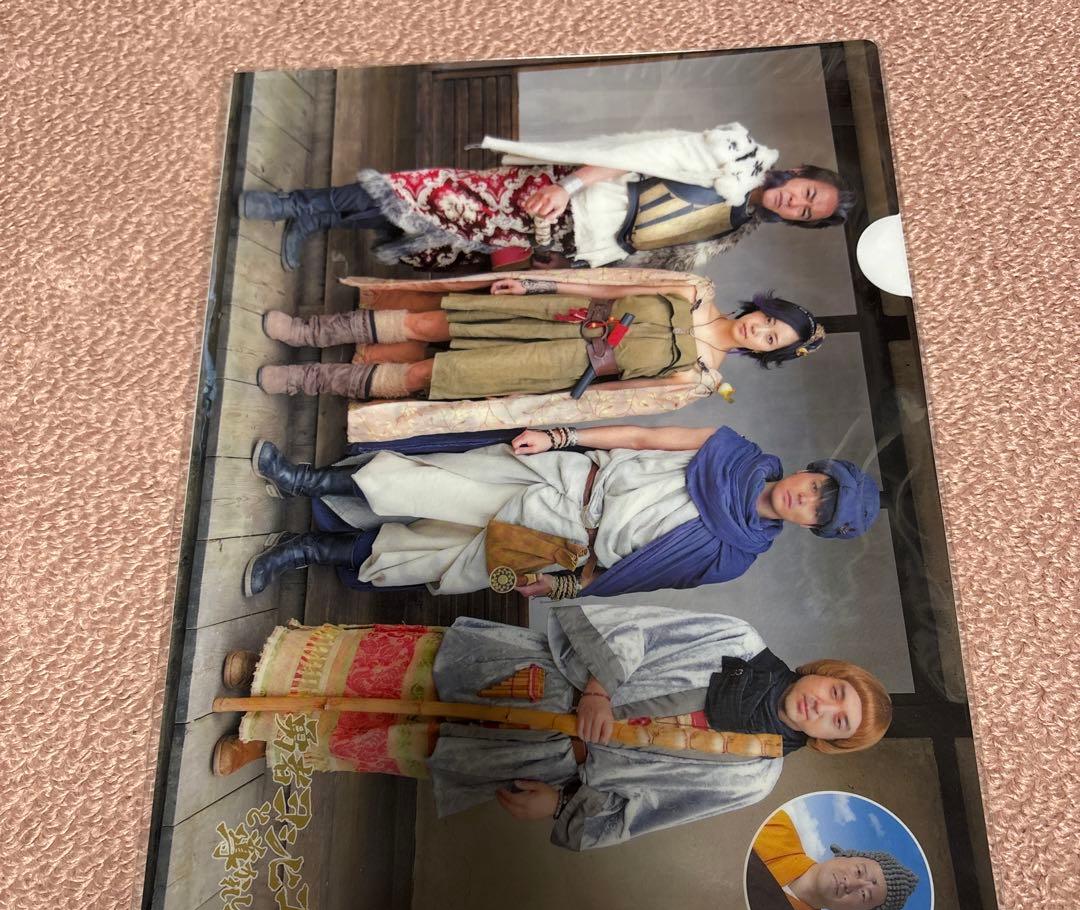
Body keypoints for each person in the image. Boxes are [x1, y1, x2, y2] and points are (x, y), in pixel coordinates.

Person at [212, 603, 892, 851]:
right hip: (550, 678)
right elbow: (639, 629)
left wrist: (560, 804)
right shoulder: (739, 639)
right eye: (837, 692)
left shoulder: (754, 774)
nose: (824, 707)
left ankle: (265, 740)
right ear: (826, 672)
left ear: (830, 741)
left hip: (550, 753)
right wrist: (600, 687)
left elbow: (647, 809)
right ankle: (273, 673)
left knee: (402, 744)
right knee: (402, 669)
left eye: (839, 722)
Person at [241, 422, 881, 601]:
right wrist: (560, 436)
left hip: (563, 548)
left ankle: (300, 553)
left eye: (818, 513)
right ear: (812, 470)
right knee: (424, 482)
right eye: (817, 487)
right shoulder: (731, 448)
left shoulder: (734, 557)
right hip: (568, 478)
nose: (807, 499)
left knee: (428, 561)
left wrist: (557, 587)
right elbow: (642, 437)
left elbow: (634, 579)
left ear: (810, 529)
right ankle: (301, 481)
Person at [238, 122, 855, 272]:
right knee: (433, 195)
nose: (796, 204)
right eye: (806, 193)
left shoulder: (735, 224)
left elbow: (648, 243)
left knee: (437, 227)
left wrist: (576, 260)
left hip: (568, 235)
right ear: (799, 172)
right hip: (562, 196)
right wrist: (567, 185)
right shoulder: (732, 154)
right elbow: (640, 152)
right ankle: (297, 205)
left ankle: (316, 221)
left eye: (806, 213)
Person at [255, 274, 824, 405]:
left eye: (770, 340)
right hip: (559, 312)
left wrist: (542, 404)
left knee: (433, 374)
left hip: (561, 365)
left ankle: (310, 379)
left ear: (765, 353)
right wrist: (537, 284)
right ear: (761, 308)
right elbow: (610, 286)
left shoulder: (702, 379)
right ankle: (309, 332)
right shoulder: (695, 289)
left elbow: (613, 397)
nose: (760, 330)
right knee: (434, 324)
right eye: (769, 320)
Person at [746, 808, 920, 910]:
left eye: (864, 895)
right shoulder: (776, 824)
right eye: (859, 871)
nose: (851, 884)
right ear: (846, 855)